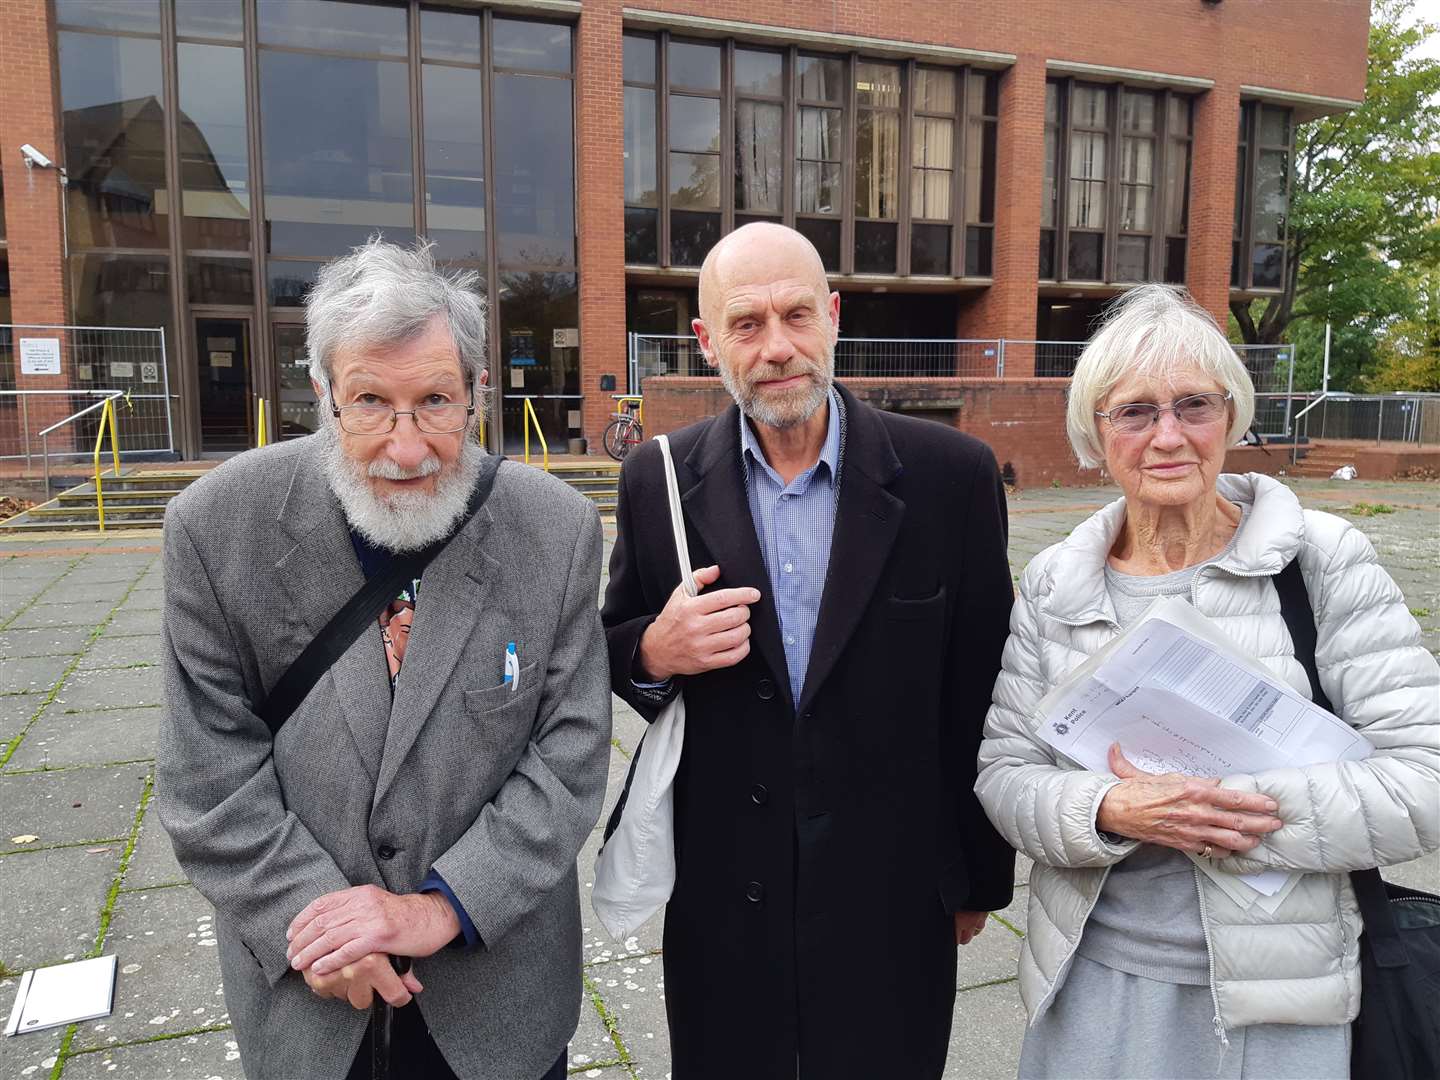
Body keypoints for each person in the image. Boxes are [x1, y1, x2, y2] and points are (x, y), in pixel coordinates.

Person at [158, 239, 611, 1080]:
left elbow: (573, 753)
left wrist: (443, 906)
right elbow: (207, 775)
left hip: (497, 1001)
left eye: (435, 400)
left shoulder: (555, 530)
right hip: (309, 1002)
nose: (407, 449)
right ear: (324, 394)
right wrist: (318, 924)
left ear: (478, 394)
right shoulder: (216, 529)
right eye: (370, 401)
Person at [975, 284, 1440, 1079]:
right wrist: (1110, 809)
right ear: (1097, 430)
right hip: (1094, 985)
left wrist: (1222, 811)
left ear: (1232, 415)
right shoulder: (1058, 581)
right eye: (1135, 412)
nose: (1168, 436)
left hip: (1277, 1002)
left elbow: (1425, 781)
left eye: (1194, 405)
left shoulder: (1320, 561)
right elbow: (1004, 775)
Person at [601, 222, 1017, 1079]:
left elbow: (981, 688)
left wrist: (976, 879)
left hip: (893, 891)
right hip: (723, 896)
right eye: (747, 325)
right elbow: (611, 644)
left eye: (797, 315)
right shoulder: (660, 479)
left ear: (833, 316)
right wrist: (655, 647)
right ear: (708, 340)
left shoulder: (950, 476)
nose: (778, 347)